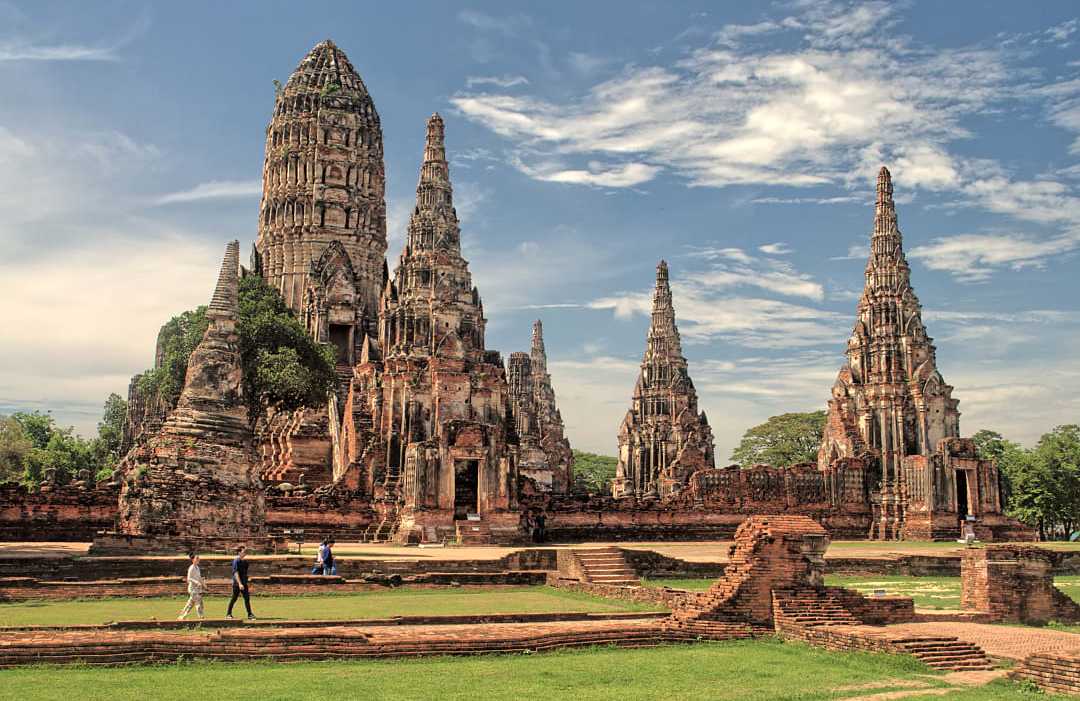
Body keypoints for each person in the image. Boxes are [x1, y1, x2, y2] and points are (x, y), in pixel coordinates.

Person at [226, 545, 255, 620]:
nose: (245, 553)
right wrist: (239, 583)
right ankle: (228, 614)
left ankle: (250, 614)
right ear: (239, 552)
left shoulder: (245, 562)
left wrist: (247, 579)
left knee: (247, 599)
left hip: (244, 583)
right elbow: (236, 573)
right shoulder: (236, 561)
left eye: (245, 552)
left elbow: (244, 573)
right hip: (237, 584)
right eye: (243, 551)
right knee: (234, 598)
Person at [177, 552, 206, 620]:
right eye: (197, 558)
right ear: (193, 560)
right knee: (198, 602)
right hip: (192, 589)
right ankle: (201, 617)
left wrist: (204, 585)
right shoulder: (191, 568)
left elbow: (199, 578)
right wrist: (196, 582)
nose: (198, 559)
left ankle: (181, 616)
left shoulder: (197, 568)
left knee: (190, 604)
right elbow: (188, 578)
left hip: (197, 589)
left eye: (198, 558)